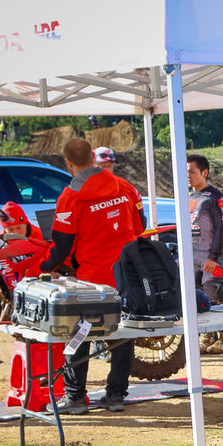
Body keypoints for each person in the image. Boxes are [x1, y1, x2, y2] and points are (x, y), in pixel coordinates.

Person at [42, 137, 145, 414]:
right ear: (92, 157)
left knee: (79, 333)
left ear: (68, 163)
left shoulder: (70, 197)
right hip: (125, 275)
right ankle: (116, 396)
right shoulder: (125, 187)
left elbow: (62, 244)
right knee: (122, 334)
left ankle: (75, 398)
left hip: (90, 281)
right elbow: (140, 225)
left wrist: (45, 266)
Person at [187, 153, 223, 354]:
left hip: (210, 257)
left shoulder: (214, 196)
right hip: (192, 258)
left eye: (192, 171)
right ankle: (208, 335)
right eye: (185, 172)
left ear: (204, 173)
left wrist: (213, 257)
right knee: (197, 298)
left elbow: (222, 229)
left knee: (214, 293)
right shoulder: (187, 196)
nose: (188, 176)